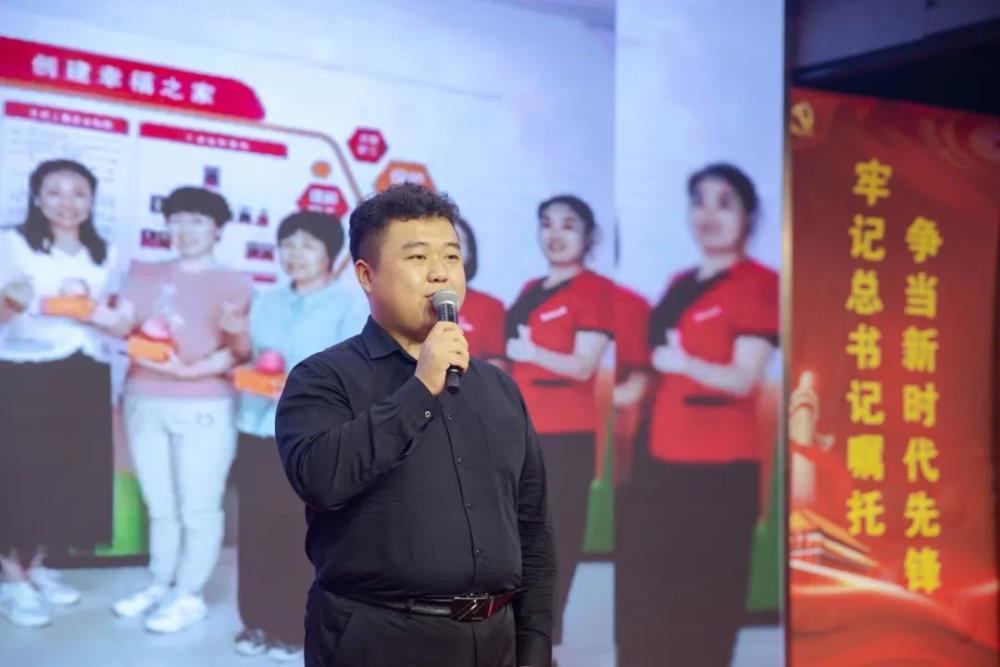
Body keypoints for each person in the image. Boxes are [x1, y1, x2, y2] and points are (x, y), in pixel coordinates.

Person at [275, 183, 555, 667]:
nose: (441, 272)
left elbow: (533, 529)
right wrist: (421, 388)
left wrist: (534, 647)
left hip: (497, 641)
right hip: (378, 638)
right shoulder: (322, 378)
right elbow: (321, 479)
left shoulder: (499, 389)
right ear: (367, 275)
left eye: (451, 256)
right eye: (419, 257)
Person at [617, 163, 778, 667]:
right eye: (699, 201)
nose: (709, 214)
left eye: (724, 203)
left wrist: (685, 364)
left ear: (749, 217)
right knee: (655, 589)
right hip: (658, 457)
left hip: (718, 469)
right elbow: (655, 365)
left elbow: (743, 378)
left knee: (709, 595)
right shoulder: (680, 283)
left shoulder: (759, 284)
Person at [105, 186, 253, 633]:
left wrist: (190, 370)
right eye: (177, 220)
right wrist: (92, 312)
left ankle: (189, 594)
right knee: (160, 502)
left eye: (198, 221)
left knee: (198, 505)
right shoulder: (144, 273)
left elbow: (241, 351)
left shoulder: (236, 283)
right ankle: (161, 582)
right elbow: (122, 325)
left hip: (205, 404)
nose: (186, 230)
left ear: (218, 229)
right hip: (144, 397)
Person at [232, 211, 368, 662]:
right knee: (254, 530)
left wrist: (299, 386)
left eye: (307, 245)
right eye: (288, 245)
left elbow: (356, 377)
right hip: (257, 430)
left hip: (312, 438)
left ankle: (294, 627)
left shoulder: (350, 307)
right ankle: (255, 620)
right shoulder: (265, 301)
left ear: (331, 254)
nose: (295, 254)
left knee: (300, 535)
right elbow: (247, 357)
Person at [0, 159, 117, 627]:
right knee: (19, 476)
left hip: (85, 369)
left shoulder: (104, 253)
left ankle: (38, 566)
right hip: (25, 371)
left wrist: (110, 316)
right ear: (36, 198)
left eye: (79, 193)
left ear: (91, 201)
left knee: (65, 476)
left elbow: (113, 314)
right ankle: (12, 580)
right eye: (55, 192)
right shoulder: (11, 244)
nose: (68, 202)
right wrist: (13, 304)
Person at [505, 195, 614, 647]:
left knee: (556, 538)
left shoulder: (595, 290)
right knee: (516, 537)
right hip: (520, 432)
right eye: (546, 223)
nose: (555, 234)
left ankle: (543, 639)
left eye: (568, 225)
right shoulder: (531, 287)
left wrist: (532, 353)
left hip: (567, 435)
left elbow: (584, 365)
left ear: (589, 237)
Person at [453, 217, 506, 367]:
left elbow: (496, 365)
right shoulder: (408, 303)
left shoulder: (489, 306)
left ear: (470, 252)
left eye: (455, 243)